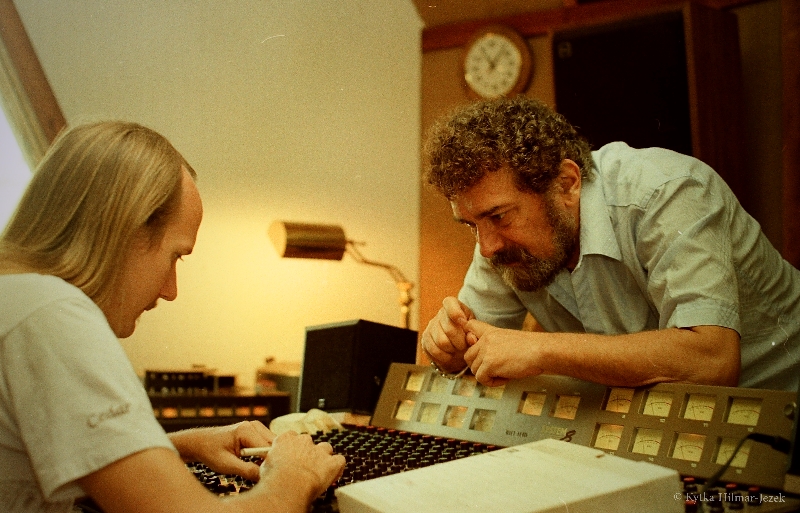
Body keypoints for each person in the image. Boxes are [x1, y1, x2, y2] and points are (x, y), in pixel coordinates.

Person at [0, 121, 345, 513]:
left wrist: (177, 446)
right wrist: (295, 475)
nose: (171, 290)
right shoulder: (51, 315)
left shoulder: (17, 299)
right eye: (175, 256)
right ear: (123, 229)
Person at [420, 96, 800, 392]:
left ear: (566, 183)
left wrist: (539, 350)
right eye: (471, 225)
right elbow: (478, 350)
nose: (486, 248)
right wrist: (449, 349)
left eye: (499, 216)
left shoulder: (667, 192)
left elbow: (711, 361)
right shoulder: (501, 241)